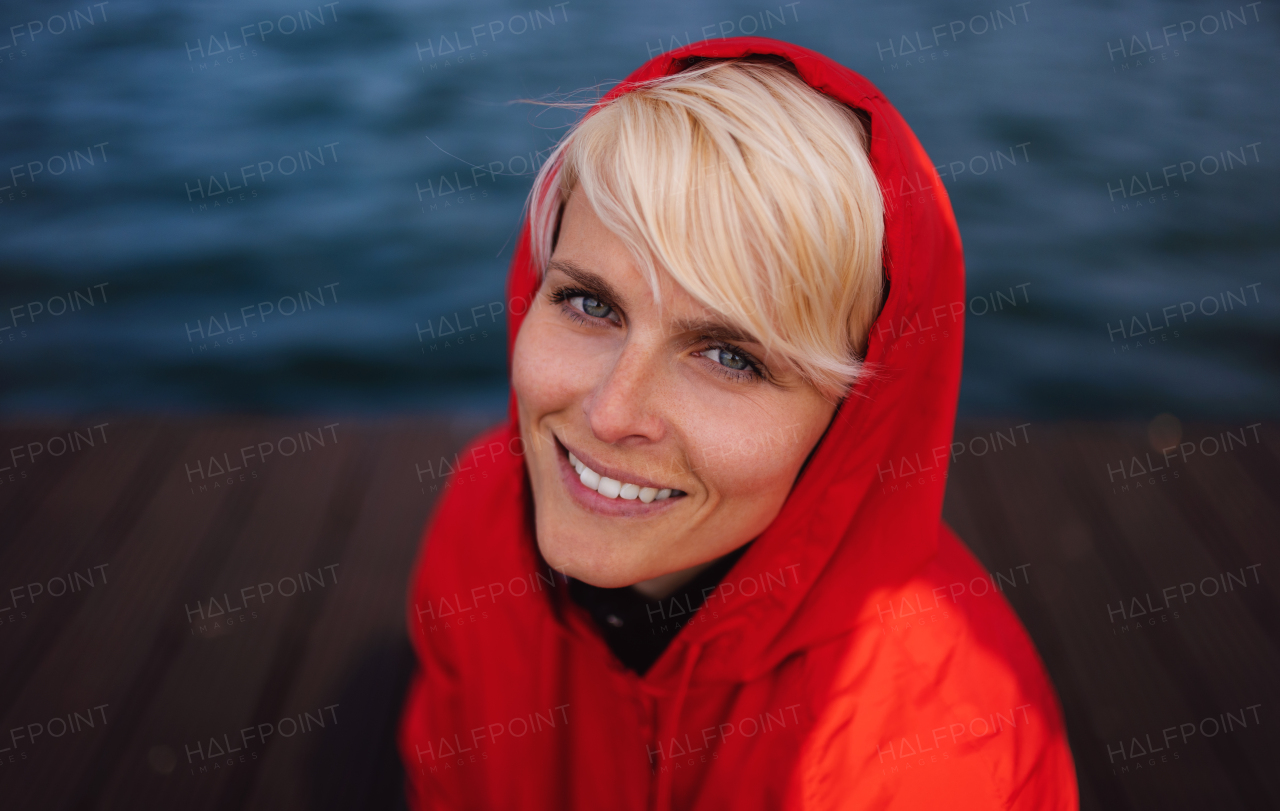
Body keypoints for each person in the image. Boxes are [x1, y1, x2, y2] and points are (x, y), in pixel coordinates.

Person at [399, 37, 1078, 811]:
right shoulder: (486, 513)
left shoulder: (940, 755)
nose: (611, 412)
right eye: (590, 303)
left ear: (849, 426)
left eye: (729, 356)